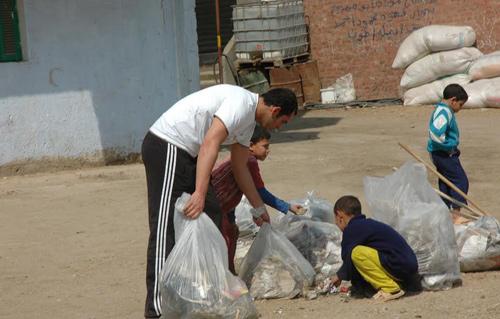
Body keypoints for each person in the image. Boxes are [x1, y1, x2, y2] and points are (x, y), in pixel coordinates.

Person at [141, 84, 298, 318]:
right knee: (164, 229)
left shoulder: (247, 122)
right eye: (283, 122)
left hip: (189, 154)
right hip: (169, 146)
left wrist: (258, 207)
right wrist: (200, 193)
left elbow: (239, 167)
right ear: (275, 110)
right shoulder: (241, 104)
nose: (279, 128)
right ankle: (156, 310)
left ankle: (198, 295)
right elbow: (210, 144)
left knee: (214, 216)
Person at [211, 125, 303, 274]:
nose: (268, 150)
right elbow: (260, 193)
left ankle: (230, 272)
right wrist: (287, 207)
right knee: (225, 239)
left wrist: (255, 212)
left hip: (225, 205)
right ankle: (225, 275)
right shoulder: (249, 160)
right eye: (265, 146)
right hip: (217, 205)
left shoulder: (239, 156)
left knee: (231, 234)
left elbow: (246, 190)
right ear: (251, 146)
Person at [329, 195, 419, 302]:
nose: (335, 223)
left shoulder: (352, 229)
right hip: (407, 268)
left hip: (399, 265)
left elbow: (348, 258)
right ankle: (395, 284)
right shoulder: (368, 225)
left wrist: (339, 276)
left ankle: (391, 289)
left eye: (335, 218)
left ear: (340, 216)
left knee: (356, 253)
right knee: (359, 253)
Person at [427, 83, 469, 224]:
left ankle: (446, 212)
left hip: (440, 153)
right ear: (453, 100)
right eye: (461, 105)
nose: (460, 109)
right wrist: (449, 146)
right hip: (444, 154)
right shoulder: (444, 112)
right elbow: (435, 133)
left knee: (446, 182)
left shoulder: (442, 110)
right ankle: (456, 215)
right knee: (460, 181)